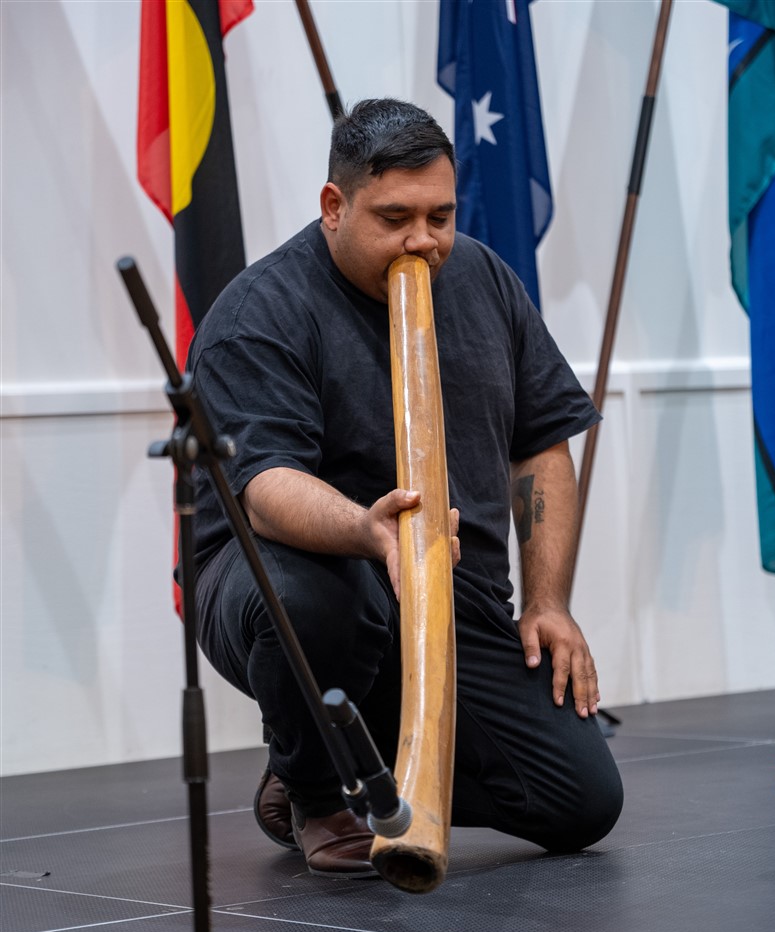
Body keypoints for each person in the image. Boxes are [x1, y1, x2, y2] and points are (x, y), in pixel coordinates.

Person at [187, 98, 623, 878]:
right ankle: (315, 787)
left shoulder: (484, 278)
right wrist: (367, 528)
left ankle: (367, 763)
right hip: (285, 575)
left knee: (580, 802)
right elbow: (265, 487)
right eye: (394, 218)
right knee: (321, 596)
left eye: (439, 215)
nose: (423, 240)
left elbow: (541, 448)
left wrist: (547, 602)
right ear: (333, 205)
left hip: (452, 590)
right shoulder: (261, 310)